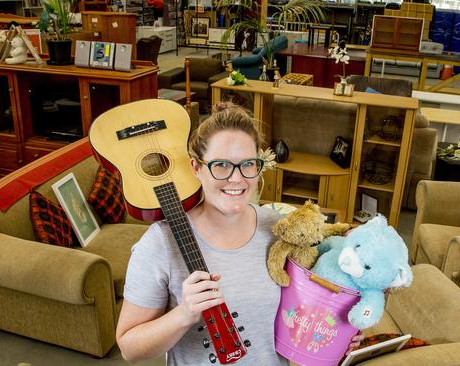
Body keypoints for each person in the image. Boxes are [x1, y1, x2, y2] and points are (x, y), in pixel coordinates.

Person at [115, 103, 362, 365]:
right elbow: (130, 348)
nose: (237, 178)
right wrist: (183, 314)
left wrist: (337, 332)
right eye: (221, 165)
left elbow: (304, 312)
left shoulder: (279, 229)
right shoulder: (160, 242)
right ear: (196, 168)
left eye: (248, 165)